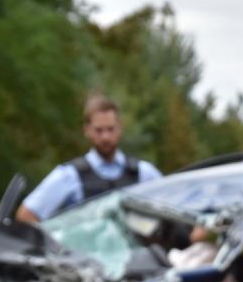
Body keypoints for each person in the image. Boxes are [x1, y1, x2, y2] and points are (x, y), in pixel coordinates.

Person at [16, 95, 162, 224]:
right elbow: (26, 215)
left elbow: (177, 208)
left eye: (110, 129)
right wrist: (57, 248)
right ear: (87, 131)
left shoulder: (144, 173)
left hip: (139, 255)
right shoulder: (69, 175)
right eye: (99, 130)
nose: (105, 137)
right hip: (83, 255)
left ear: (119, 129)